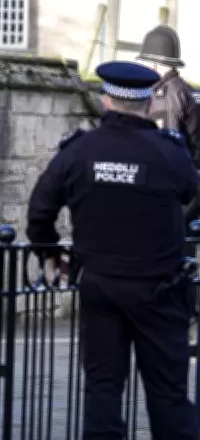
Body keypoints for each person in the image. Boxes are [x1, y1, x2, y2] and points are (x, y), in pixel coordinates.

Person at [26, 60, 199, 440]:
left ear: (106, 100)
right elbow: (190, 190)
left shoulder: (80, 150)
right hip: (159, 290)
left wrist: (51, 255)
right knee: (168, 396)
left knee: (103, 389)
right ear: (147, 104)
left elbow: (40, 211)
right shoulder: (169, 152)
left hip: (100, 287)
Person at [137, 24, 200, 251]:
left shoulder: (165, 97)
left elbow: (167, 151)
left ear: (154, 63)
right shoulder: (186, 90)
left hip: (177, 191)